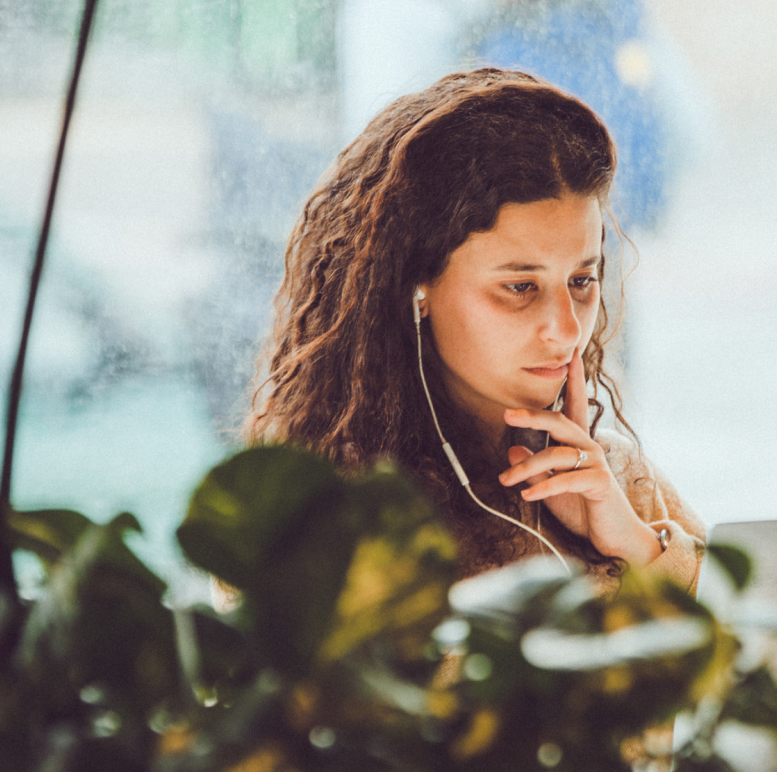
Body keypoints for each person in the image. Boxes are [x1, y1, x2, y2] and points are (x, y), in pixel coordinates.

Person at [244, 68, 705, 595]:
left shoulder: (614, 479)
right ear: (416, 287)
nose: (566, 330)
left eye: (582, 280)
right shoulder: (318, 516)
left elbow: (772, 656)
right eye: (519, 288)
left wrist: (639, 548)